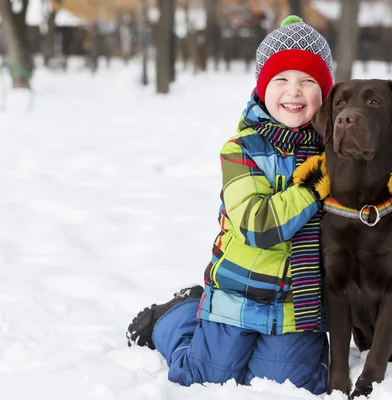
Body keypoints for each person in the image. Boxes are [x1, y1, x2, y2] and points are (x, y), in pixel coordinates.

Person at [126, 15, 333, 394]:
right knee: (203, 375)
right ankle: (175, 315)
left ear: (325, 91)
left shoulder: (334, 151)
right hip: (237, 294)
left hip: (297, 306)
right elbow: (258, 225)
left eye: (308, 80)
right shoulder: (241, 150)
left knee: (289, 385)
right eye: (281, 80)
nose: (294, 91)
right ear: (261, 87)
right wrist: (315, 184)